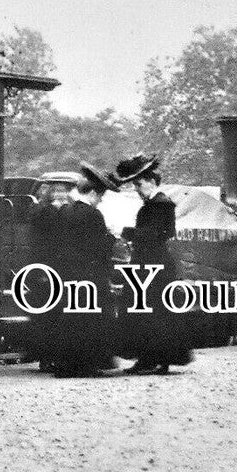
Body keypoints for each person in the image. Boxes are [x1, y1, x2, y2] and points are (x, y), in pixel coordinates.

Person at [116, 153, 192, 375]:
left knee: (156, 313)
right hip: (149, 264)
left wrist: (127, 233)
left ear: (151, 181)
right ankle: (148, 358)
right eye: (135, 185)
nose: (137, 189)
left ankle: (159, 359)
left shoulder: (161, 204)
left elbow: (154, 234)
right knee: (147, 313)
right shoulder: (156, 203)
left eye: (139, 184)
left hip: (155, 265)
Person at [45, 162, 118, 377]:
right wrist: (111, 237)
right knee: (90, 320)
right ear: (94, 193)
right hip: (90, 275)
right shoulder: (94, 216)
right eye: (100, 196)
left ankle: (66, 365)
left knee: (70, 319)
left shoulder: (66, 211)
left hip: (68, 274)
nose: (100, 200)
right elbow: (100, 249)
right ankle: (88, 365)